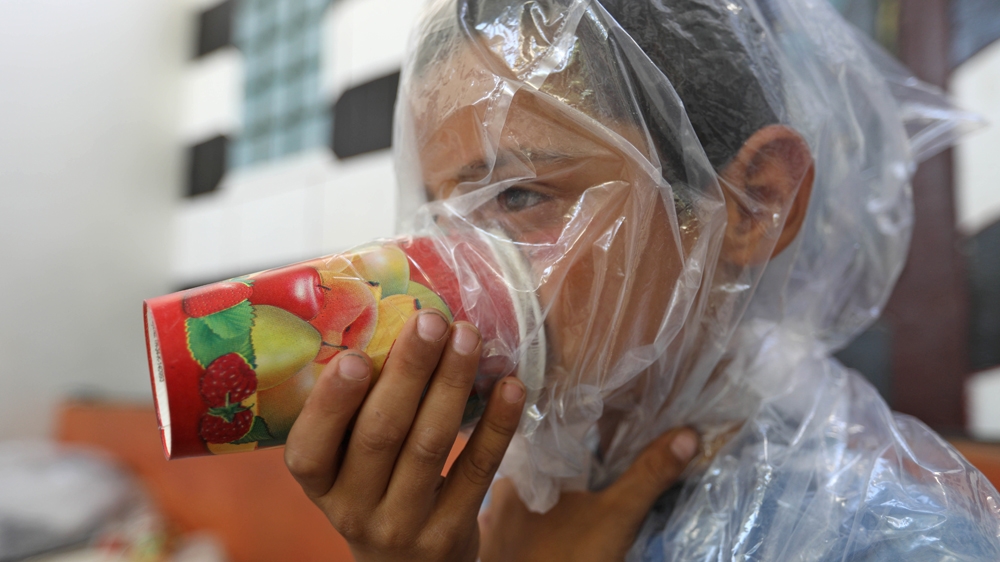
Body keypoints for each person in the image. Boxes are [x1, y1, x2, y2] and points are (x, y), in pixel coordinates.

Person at [284, 0, 1000, 560]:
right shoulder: (483, 496)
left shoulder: (884, 539)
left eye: (521, 197)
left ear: (754, 201)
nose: (464, 281)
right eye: (443, 221)